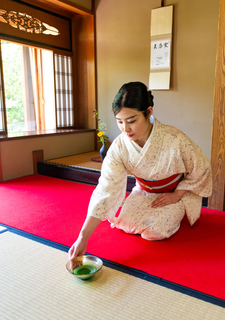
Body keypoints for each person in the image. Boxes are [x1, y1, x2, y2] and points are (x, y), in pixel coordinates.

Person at [68, 81, 212, 261]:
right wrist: (83, 236)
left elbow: (202, 168)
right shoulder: (119, 147)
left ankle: (179, 209)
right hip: (144, 191)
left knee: (155, 229)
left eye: (131, 121)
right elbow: (106, 189)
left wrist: (176, 195)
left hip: (174, 192)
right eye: (119, 122)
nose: (125, 129)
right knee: (125, 223)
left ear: (149, 112)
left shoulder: (175, 139)